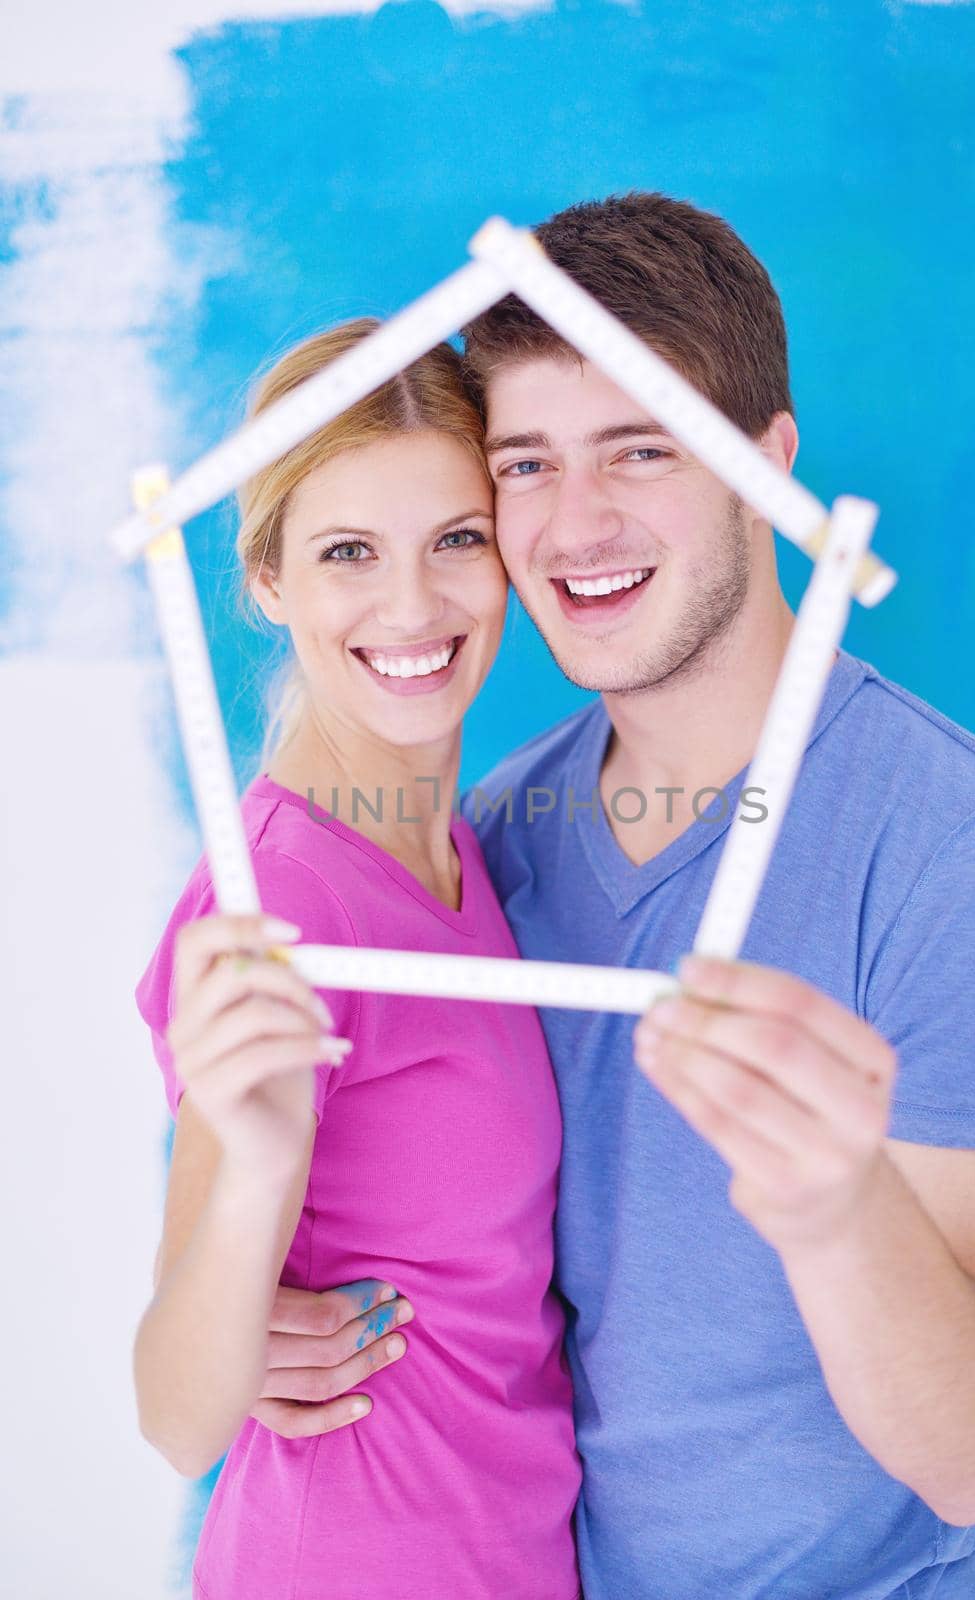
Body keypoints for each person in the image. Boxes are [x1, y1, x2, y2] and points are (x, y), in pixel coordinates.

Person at [258, 195, 975, 1600]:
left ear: (771, 466)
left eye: (642, 448)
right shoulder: (494, 840)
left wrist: (832, 1210)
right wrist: (269, 1319)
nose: (575, 526)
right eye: (526, 464)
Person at [132, 319, 582, 1600]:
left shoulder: (467, 844)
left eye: (457, 539)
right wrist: (259, 1174)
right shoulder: (279, 899)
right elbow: (177, 1413)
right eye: (347, 553)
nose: (412, 606)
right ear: (268, 580)